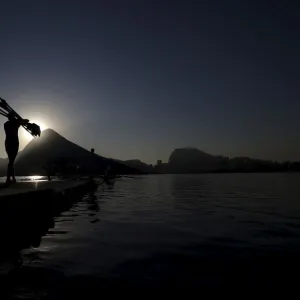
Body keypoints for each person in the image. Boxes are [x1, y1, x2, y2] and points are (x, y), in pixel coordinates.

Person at [4, 113, 29, 185]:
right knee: (11, 161)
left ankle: (12, 178)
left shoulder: (11, 123)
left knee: (12, 161)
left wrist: (18, 120)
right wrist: (18, 120)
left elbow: (25, 121)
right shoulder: (12, 123)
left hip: (11, 143)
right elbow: (25, 121)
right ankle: (9, 179)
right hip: (12, 143)